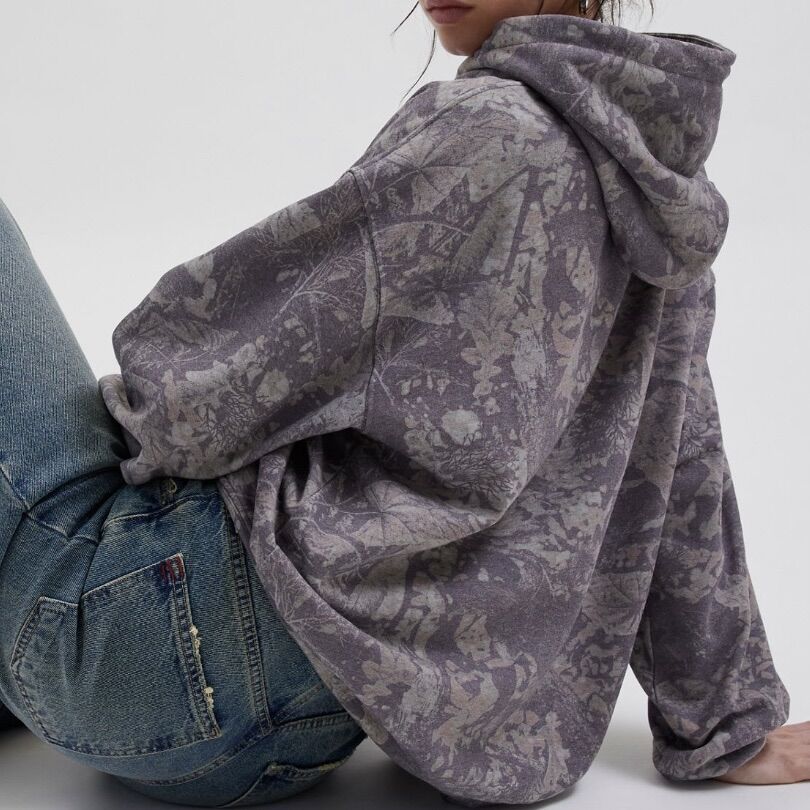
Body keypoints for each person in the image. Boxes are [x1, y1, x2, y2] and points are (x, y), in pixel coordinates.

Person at [0, 0, 807, 806]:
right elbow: (680, 465)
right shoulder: (658, 188)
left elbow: (202, 391)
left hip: (170, 647)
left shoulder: (485, 128)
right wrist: (723, 721)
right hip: (320, 719)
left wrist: (134, 426)